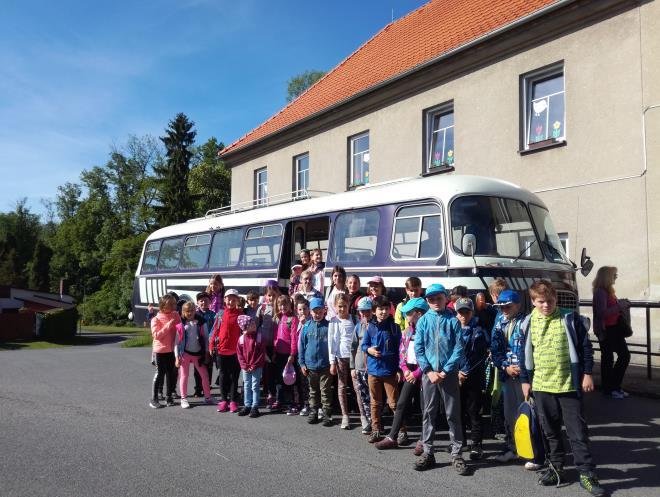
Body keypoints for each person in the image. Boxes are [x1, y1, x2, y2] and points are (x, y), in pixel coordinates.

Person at [520, 280, 605, 496]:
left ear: (555, 298)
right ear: (533, 301)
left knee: (577, 432)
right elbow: (524, 354)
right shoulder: (528, 322)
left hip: (568, 386)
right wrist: (525, 380)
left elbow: (586, 348)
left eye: (549, 301)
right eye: (541, 302)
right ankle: (556, 467)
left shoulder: (570, 319)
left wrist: (587, 374)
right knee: (550, 431)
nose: (546, 305)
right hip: (541, 385)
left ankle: (587, 474)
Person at [413, 283, 468, 476]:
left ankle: (457, 453)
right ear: (427, 301)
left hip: (448, 374)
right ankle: (428, 452)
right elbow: (418, 349)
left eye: (439, 298)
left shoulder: (452, 321)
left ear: (446, 299)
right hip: (429, 375)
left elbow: (458, 348)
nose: (435, 302)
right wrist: (428, 371)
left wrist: (445, 371)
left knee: (453, 413)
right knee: (428, 412)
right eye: (431, 299)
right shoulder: (423, 321)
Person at [490, 289, 539, 468]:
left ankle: (534, 453)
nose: (504, 309)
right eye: (501, 306)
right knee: (509, 414)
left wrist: (526, 369)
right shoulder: (499, 324)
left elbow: (534, 348)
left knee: (529, 414)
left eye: (508, 306)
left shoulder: (528, 322)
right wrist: (505, 366)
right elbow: (495, 350)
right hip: (508, 375)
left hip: (526, 377)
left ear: (518, 305)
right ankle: (512, 448)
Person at [374, 297, 428, 452]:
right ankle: (392, 437)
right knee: (401, 404)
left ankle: (424, 440)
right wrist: (405, 370)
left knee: (426, 408)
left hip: (424, 373)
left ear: (419, 313)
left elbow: (430, 357)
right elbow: (402, 354)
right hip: (409, 372)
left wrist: (416, 373)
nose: (406, 316)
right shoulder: (407, 332)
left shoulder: (427, 332)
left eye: (409, 313)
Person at [362, 295, 401, 443]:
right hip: (373, 371)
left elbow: (399, 350)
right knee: (375, 403)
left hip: (389, 371)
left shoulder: (394, 327)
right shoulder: (370, 326)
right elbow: (364, 345)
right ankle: (376, 430)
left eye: (386, 308)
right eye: (380, 309)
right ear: (374, 311)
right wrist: (369, 350)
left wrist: (398, 368)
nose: (383, 312)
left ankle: (400, 430)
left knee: (394, 403)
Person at [455, 297, 489, 460]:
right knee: (458, 411)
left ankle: (477, 445)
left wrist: (465, 372)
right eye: (460, 312)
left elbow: (481, 357)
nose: (463, 315)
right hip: (456, 376)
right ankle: (461, 442)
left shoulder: (479, 331)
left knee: (474, 412)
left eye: (466, 312)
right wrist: (456, 372)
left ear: (472, 312)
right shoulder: (452, 330)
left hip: (473, 377)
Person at [592, 266, 631, 399]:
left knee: (617, 357)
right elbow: (602, 313)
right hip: (606, 329)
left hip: (614, 328)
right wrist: (620, 306)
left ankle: (613, 387)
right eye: (614, 275)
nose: (616, 277)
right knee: (612, 358)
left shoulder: (608, 291)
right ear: (607, 276)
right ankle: (611, 388)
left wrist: (620, 303)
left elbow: (610, 308)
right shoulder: (600, 292)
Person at [298, 297, 333, 426]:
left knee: (325, 390)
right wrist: (302, 363)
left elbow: (333, 345)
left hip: (325, 365)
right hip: (310, 365)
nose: (317, 314)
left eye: (320, 311)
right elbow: (301, 346)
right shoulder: (306, 326)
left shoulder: (329, 326)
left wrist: (332, 362)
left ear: (324, 311)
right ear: (310, 312)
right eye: (315, 312)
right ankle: (313, 411)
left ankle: (326, 414)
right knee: (313, 390)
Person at [175, 302, 214, 408]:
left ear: (195, 310)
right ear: (183, 312)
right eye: (187, 311)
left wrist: (206, 353)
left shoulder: (201, 323)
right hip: (185, 354)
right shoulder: (180, 325)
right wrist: (177, 357)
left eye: (192, 310)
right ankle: (184, 398)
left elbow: (206, 339)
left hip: (198, 354)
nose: (190, 313)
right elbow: (177, 343)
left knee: (205, 375)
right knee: (184, 376)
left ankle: (208, 397)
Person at [210, 289, 242, 413]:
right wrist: (211, 345)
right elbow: (215, 331)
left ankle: (233, 401)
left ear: (237, 301)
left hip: (235, 352)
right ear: (225, 299)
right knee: (223, 376)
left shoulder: (240, 315)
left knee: (234, 377)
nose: (231, 301)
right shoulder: (220, 314)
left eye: (234, 299)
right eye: (229, 299)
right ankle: (224, 400)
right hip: (221, 351)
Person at [328, 293, 355, 429]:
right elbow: (332, 342)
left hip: (354, 359)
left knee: (357, 386)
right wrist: (332, 361)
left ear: (349, 306)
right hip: (340, 357)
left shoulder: (353, 319)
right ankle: (345, 416)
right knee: (342, 386)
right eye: (339, 306)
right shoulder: (333, 321)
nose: (342, 309)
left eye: (345, 306)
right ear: (335, 306)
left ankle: (364, 415)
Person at [149, 294, 181, 408]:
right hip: (160, 351)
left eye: (174, 304)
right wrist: (168, 325)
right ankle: (154, 399)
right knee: (159, 374)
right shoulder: (155, 319)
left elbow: (180, 330)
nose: (174, 306)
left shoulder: (176, 315)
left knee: (171, 375)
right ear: (162, 306)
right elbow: (156, 335)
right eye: (170, 304)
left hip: (172, 350)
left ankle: (169, 397)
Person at [257, 280, 282, 408]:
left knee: (274, 370)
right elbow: (256, 325)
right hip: (264, 344)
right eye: (269, 295)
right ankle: (268, 392)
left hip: (276, 345)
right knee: (265, 371)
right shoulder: (262, 308)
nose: (271, 297)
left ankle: (275, 394)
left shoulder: (280, 308)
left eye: (273, 295)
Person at [273, 295, 299, 413]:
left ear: (290, 305)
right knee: (279, 378)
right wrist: (274, 351)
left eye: (285, 304)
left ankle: (291, 402)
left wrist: (292, 354)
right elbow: (277, 337)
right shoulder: (280, 317)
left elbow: (294, 338)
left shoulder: (293, 319)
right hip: (279, 353)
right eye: (280, 305)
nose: (283, 307)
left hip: (288, 355)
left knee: (289, 379)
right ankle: (279, 400)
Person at [236, 314, 266, 418]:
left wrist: (254, 365)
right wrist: (244, 365)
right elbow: (239, 354)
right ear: (245, 327)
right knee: (247, 385)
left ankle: (255, 406)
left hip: (256, 367)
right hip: (245, 367)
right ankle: (247, 405)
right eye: (251, 324)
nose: (254, 325)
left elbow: (261, 353)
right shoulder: (241, 339)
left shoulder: (259, 337)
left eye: (253, 323)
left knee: (255, 386)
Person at [351, 297, 373, 434]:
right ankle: (367, 420)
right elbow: (353, 347)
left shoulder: (376, 325)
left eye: (367, 311)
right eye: (362, 311)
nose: (364, 314)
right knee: (364, 395)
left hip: (374, 367)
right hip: (359, 365)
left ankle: (376, 420)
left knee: (374, 395)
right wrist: (352, 366)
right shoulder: (358, 326)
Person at [194, 292, 215, 398]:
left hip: (209, 344)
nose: (203, 302)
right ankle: (198, 388)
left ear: (210, 302)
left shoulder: (212, 314)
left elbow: (215, 328)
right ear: (197, 302)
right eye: (201, 301)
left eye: (206, 300)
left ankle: (207, 386)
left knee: (208, 366)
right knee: (197, 367)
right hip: (197, 345)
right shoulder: (194, 314)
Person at [294, 297, 312, 416]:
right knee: (302, 382)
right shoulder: (297, 323)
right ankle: (304, 404)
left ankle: (313, 405)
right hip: (300, 357)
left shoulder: (311, 322)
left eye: (304, 309)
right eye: (300, 309)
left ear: (309, 310)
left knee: (311, 384)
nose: (302, 312)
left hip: (309, 357)